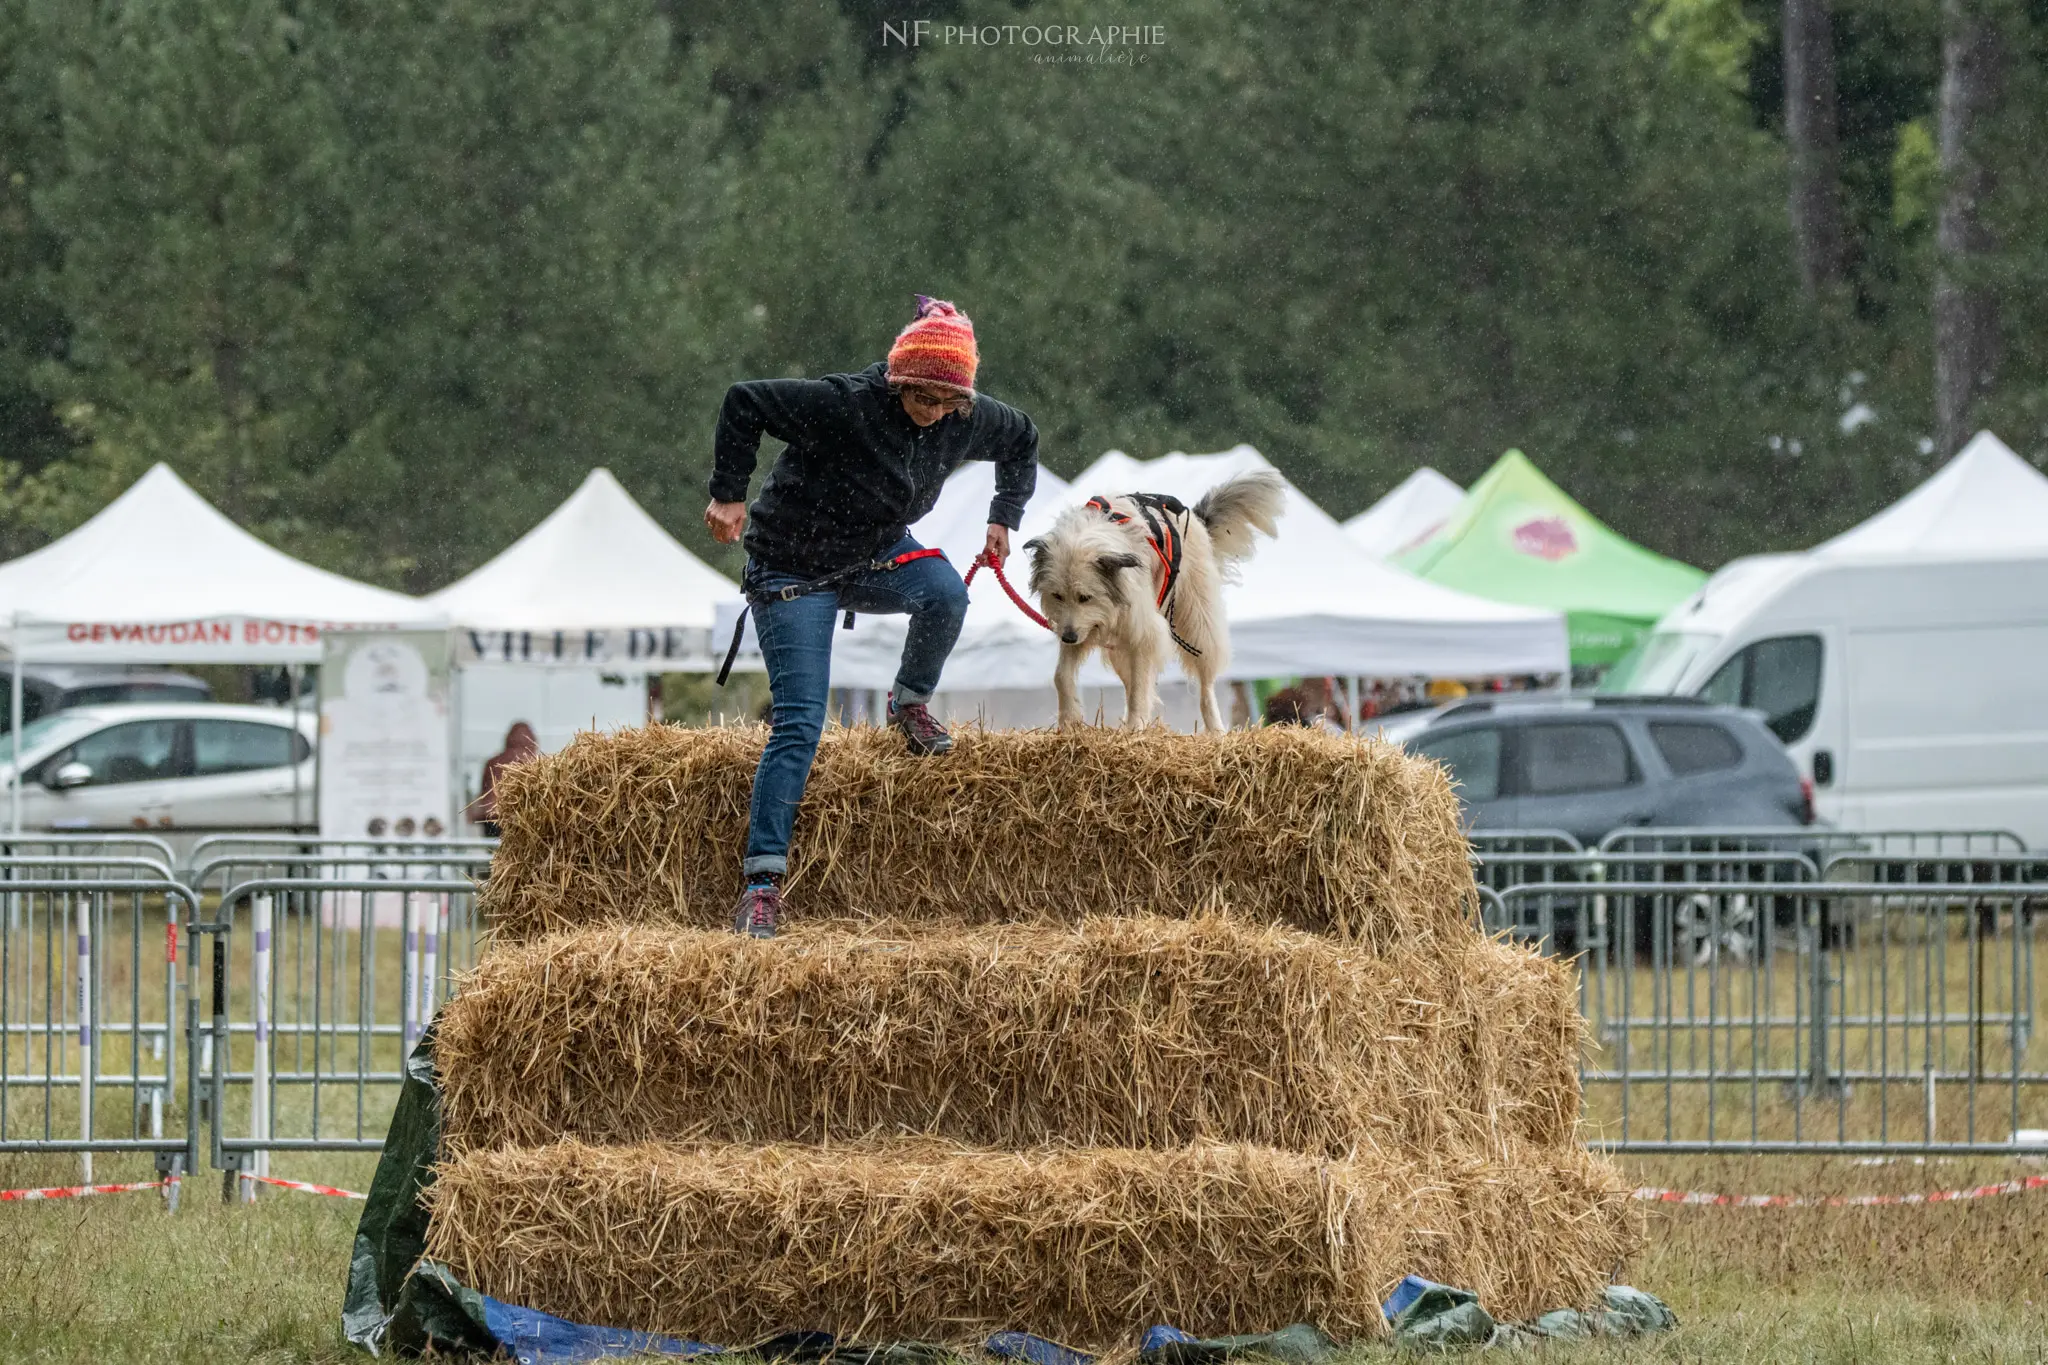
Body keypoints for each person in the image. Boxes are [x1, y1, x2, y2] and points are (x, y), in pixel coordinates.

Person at [705, 296, 1039, 939]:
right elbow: (743, 401)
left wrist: (1005, 515)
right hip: (792, 566)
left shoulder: (965, 416)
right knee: (802, 721)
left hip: (872, 553)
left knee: (947, 595)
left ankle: (908, 702)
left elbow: (1022, 439)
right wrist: (728, 491)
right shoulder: (844, 403)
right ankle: (762, 885)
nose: (935, 412)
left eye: (948, 403)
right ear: (898, 381)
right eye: (924, 399)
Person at [470, 721, 539, 837]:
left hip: (492, 819)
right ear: (532, 741)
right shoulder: (535, 764)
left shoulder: (493, 762)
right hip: (523, 821)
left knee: (493, 851)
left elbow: (484, 792)